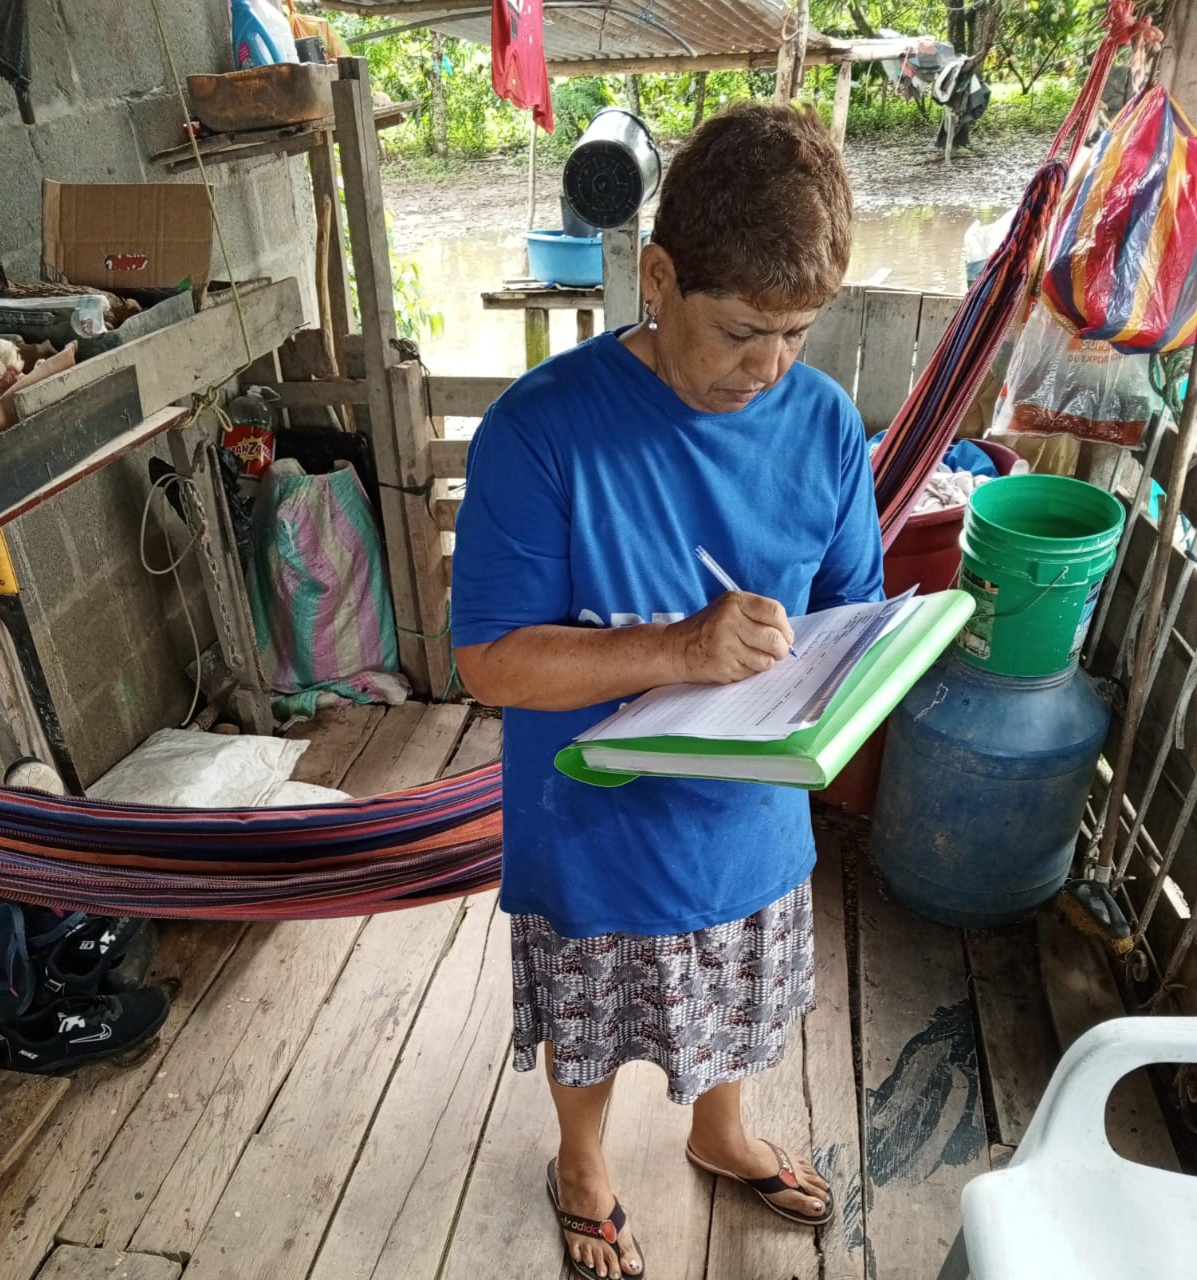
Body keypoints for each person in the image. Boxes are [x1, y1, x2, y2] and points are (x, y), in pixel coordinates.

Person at [451, 101, 883, 1280]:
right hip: (594, 829)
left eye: (796, 332)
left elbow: (849, 609)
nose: (769, 366)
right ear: (657, 277)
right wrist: (679, 648)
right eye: (741, 330)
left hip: (750, 816)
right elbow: (489, 660)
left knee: (742, 996)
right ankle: (583, 1166)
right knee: (591, 1021)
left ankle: (719, 1131)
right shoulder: (541, 433)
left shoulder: (822, 423)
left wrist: (865, 671)